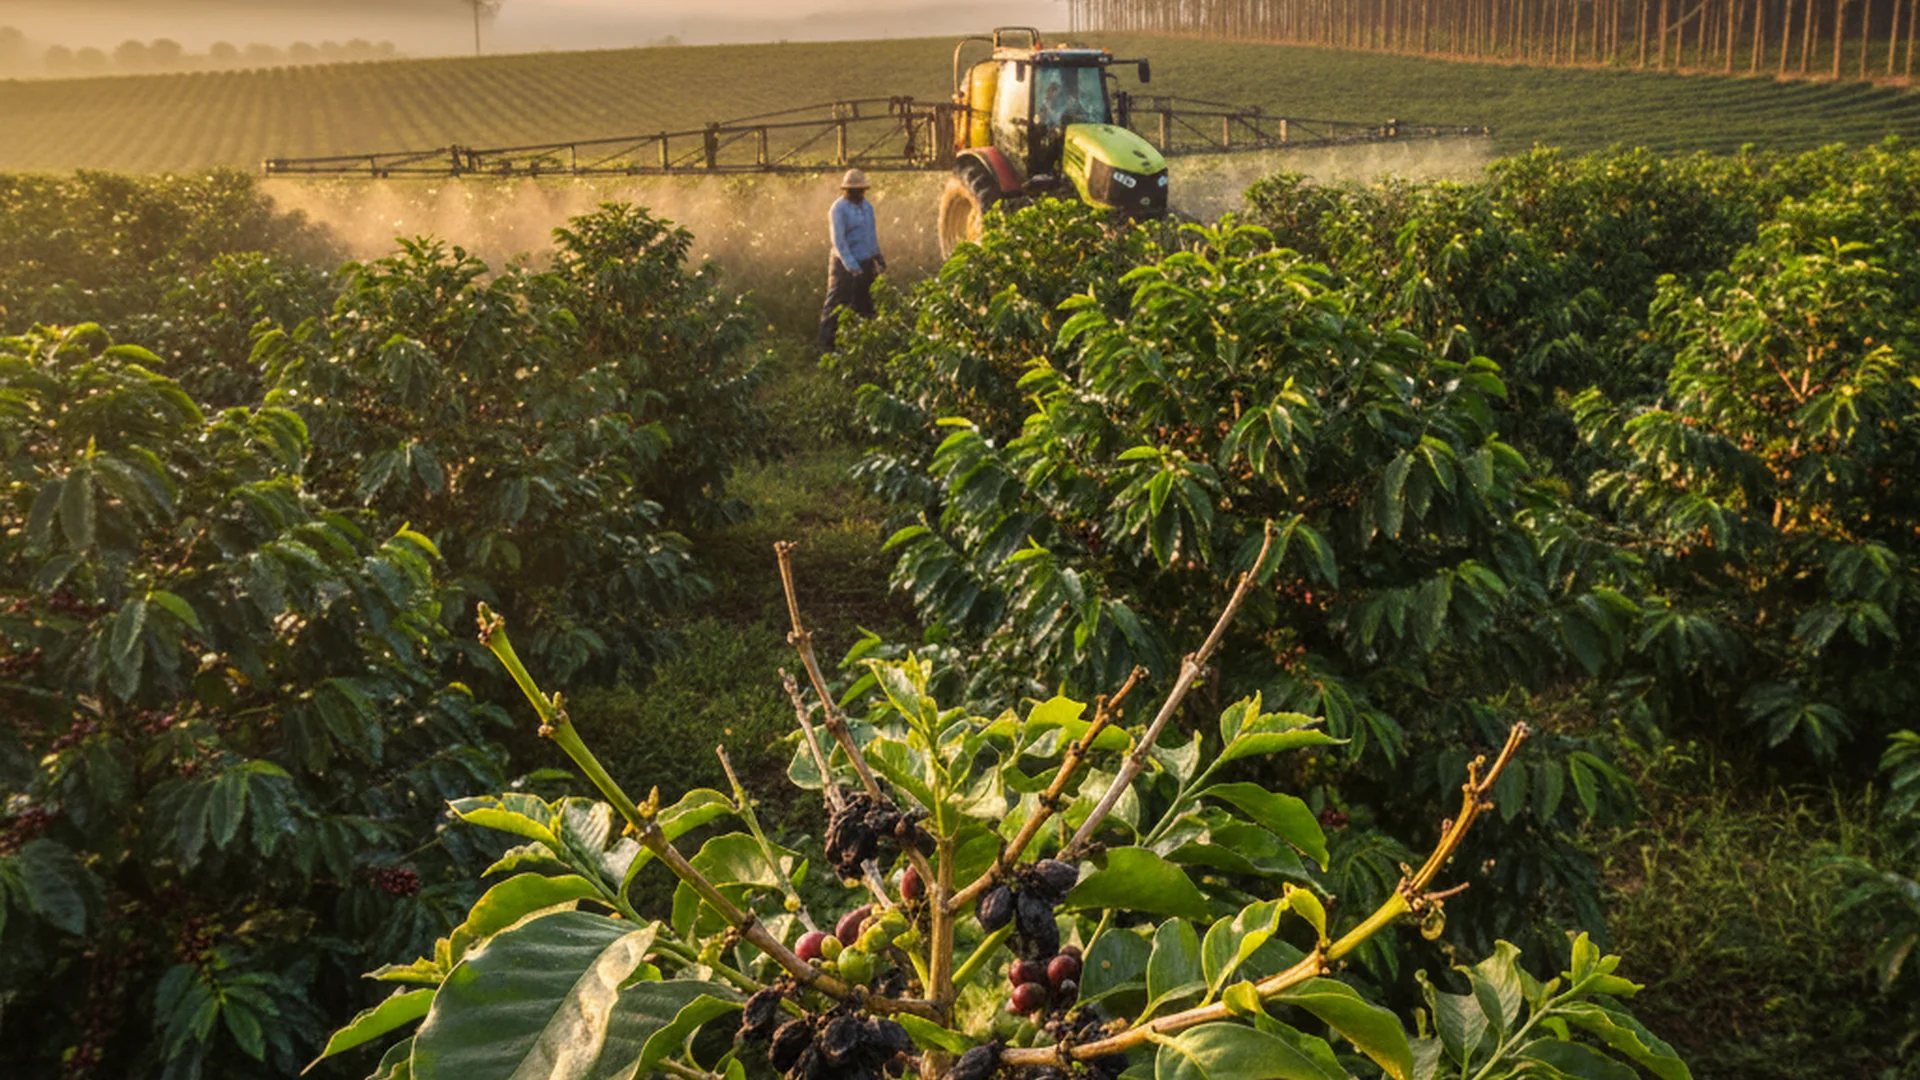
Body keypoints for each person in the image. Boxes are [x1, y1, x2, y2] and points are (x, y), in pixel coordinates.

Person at [819, 169, 885, 352]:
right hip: (844, 264)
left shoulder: (867, 207)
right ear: (846, 190)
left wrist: (877, 256)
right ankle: (827, 348)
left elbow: (871, 235)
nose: (858, 193)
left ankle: (862, 348)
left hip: (866, 262)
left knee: (866, 305)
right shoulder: (838, 209)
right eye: (853, 190)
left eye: (860, 190)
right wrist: (852, 267)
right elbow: (839, 242)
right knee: (836, 306)